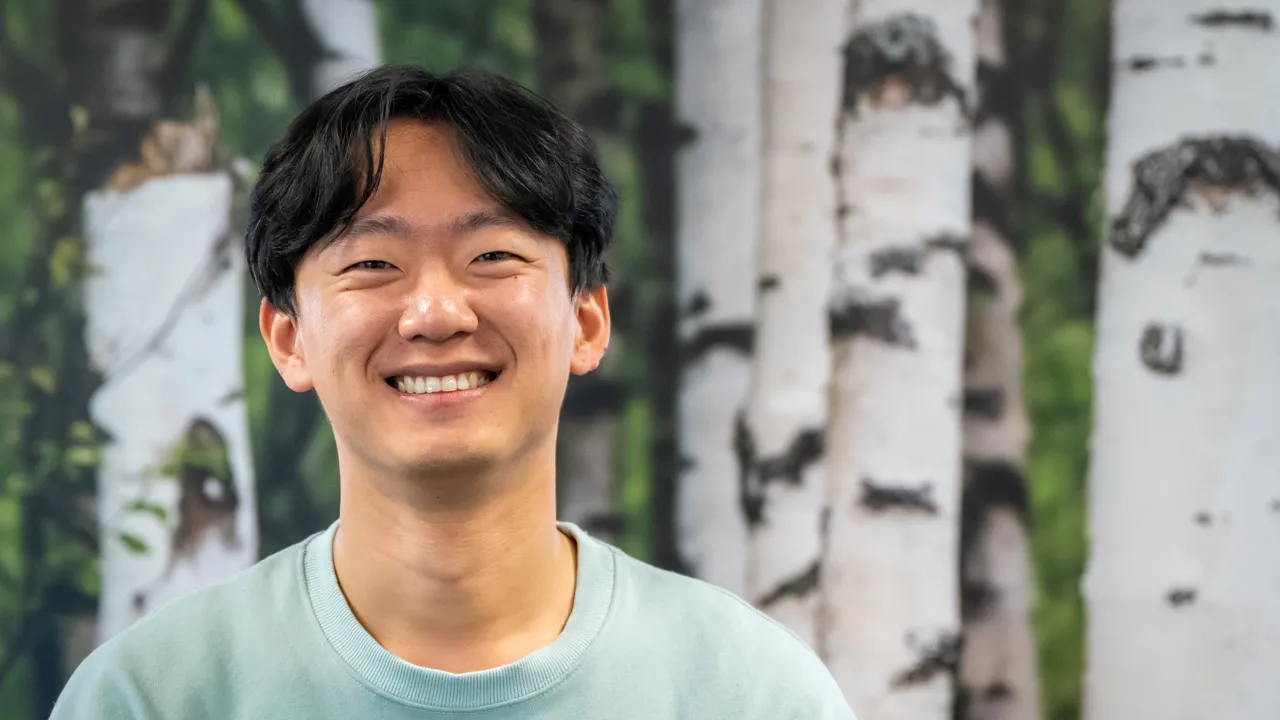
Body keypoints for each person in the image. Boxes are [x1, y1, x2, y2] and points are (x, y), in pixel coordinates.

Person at [50, 65, 856, 719]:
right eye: (373, 265)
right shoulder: (151, 696)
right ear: (289, 339)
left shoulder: (752, 693)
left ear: (586, 320)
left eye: (493, 257)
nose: (436, 312)